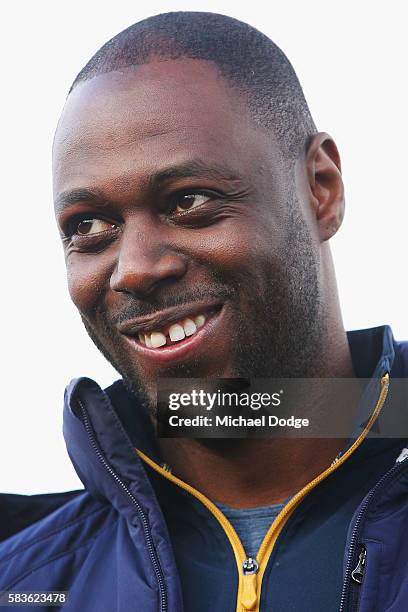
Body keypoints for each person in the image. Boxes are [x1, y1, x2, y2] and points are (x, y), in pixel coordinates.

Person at [1, 11, 407, 612]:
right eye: (88, 225)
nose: (134, 268)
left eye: (189, 200)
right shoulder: (26, 585)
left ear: (320, 187)